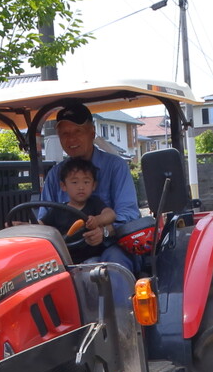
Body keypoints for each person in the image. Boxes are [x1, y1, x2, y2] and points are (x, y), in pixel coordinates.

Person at [39, 100, 140, 271]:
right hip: (69, 250)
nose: (71, 139)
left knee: (112, 266)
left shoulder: (115, 167)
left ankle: (117, 298)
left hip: (110, 246)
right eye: (64, 133)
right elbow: (45, 222)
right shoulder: (55, 175)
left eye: (77, 131)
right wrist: (27, 228)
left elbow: (129, 214)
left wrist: (105, 231)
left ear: (92, 132)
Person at [40, 156, 112, 260]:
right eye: (74, 182)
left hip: (91, 259)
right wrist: (25, 227)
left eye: (86, 182)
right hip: (64, 259)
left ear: (94, 185)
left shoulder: (94, 203)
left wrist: (97, 220)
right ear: (63, 186)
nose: (81, 187)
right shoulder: (57, 210)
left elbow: (110, 214)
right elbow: (40, 226)